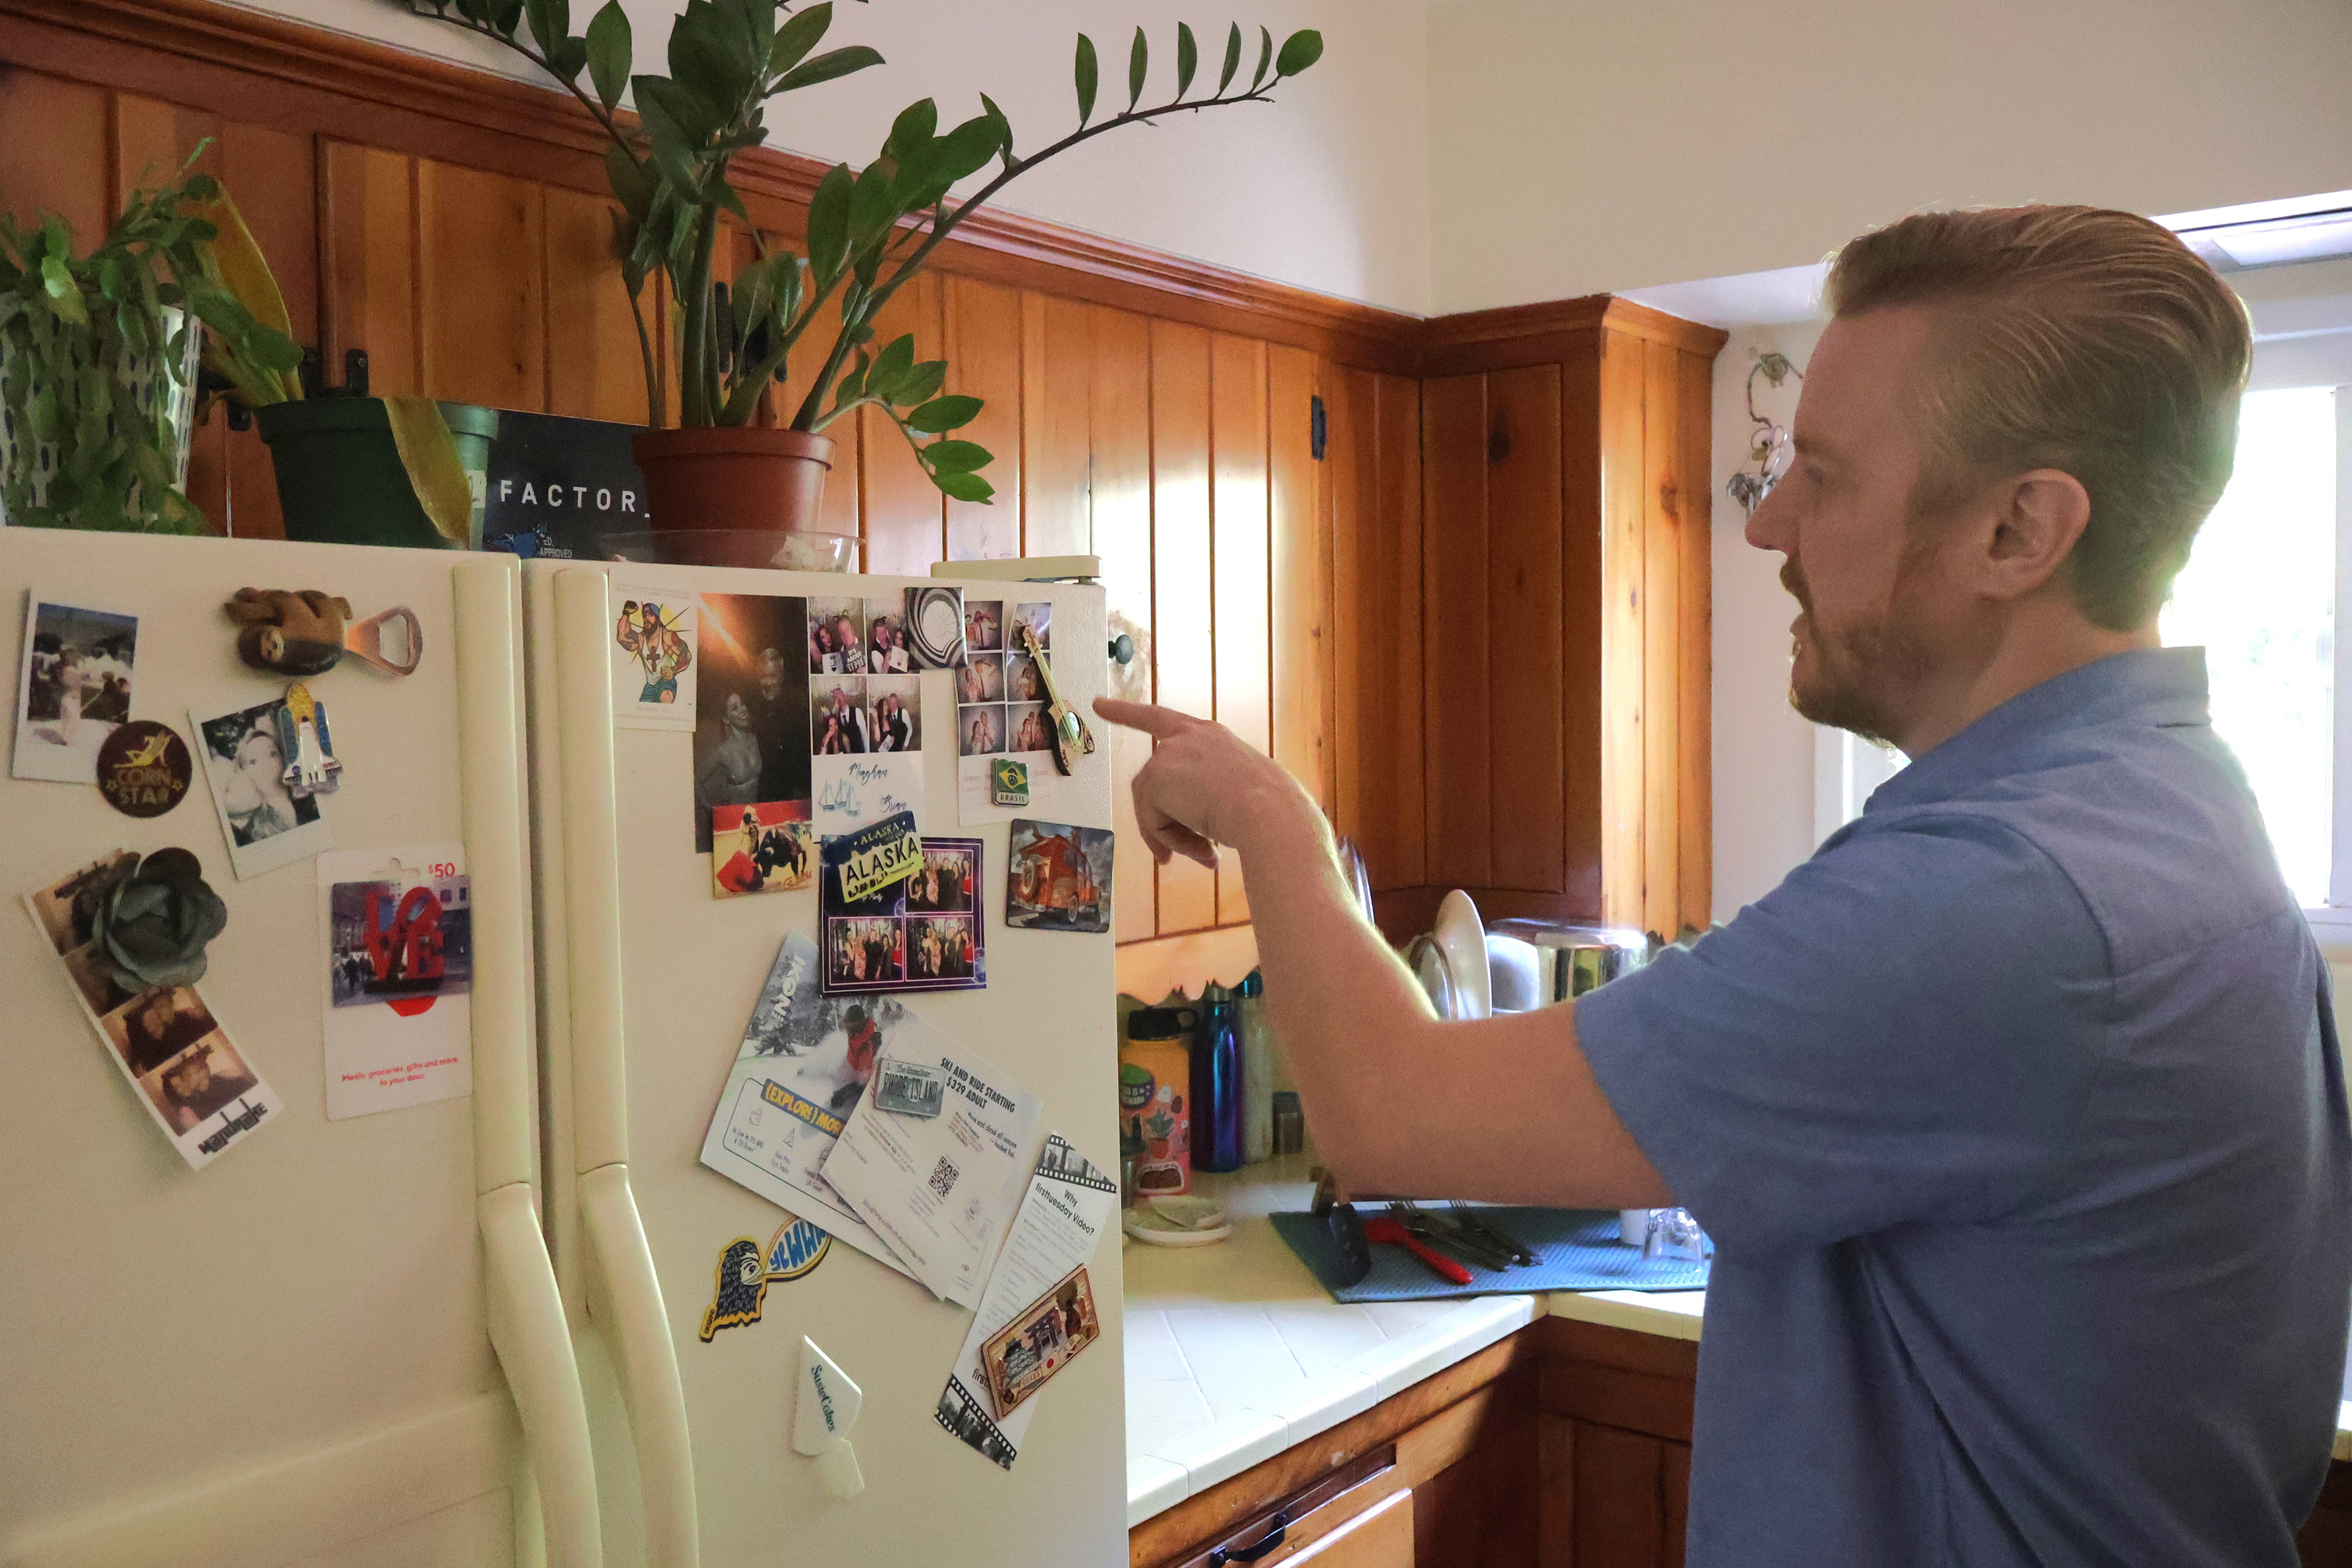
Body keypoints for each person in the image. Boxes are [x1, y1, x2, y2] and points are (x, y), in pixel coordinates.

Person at [1097, 205, 2352, 1568]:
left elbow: (1388, 1117)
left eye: (1823, 474)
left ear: (2020, 530)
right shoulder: (2178, 807)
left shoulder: (1999, 900)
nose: (1770, 528)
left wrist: (1266, 815)